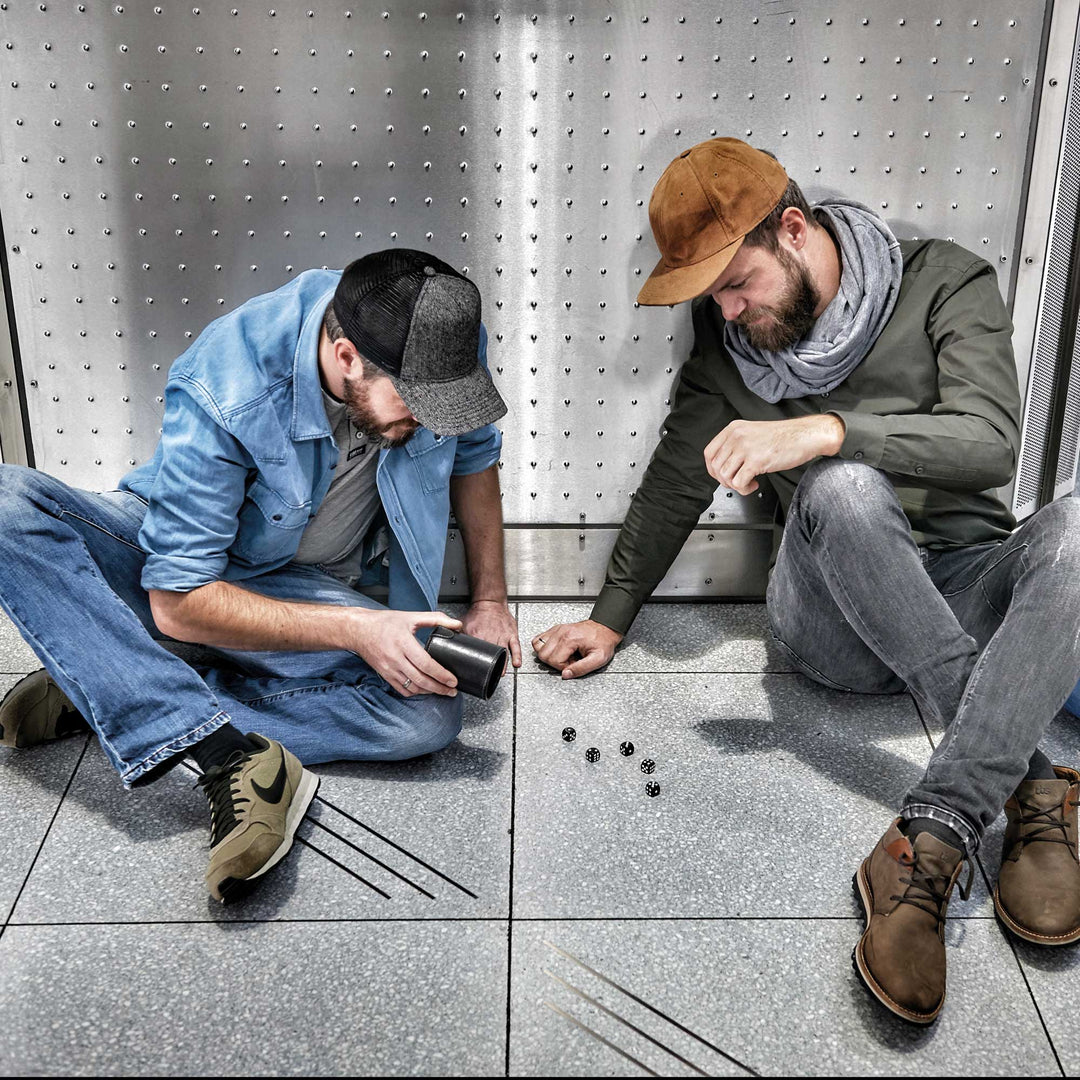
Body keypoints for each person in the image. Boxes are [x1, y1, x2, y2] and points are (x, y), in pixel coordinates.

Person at [533, 138, 1080, 1024]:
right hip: (832, 623)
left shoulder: (947, 280)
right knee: (843, 491)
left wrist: (825, 428)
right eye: (713, 293)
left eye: (737, 282)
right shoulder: (732, 346)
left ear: (794, 230)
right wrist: (612, 615)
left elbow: (991, 443)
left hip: (964, 586)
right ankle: (1028, 785)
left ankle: (935, 828)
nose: (728, 307)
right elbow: (678, 476)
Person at [0, 248, 520, 904]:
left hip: (294, 587)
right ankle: (228, 756)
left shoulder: (441, 331)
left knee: (426, 714)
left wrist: (491, 599)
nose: (426, 419)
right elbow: (179, 597)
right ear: (346, 356)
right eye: (412, 403)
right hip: (182, 572)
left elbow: (475, 453)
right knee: (4, 504)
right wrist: (361, 630)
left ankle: (111, 683)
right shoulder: (231, 377)